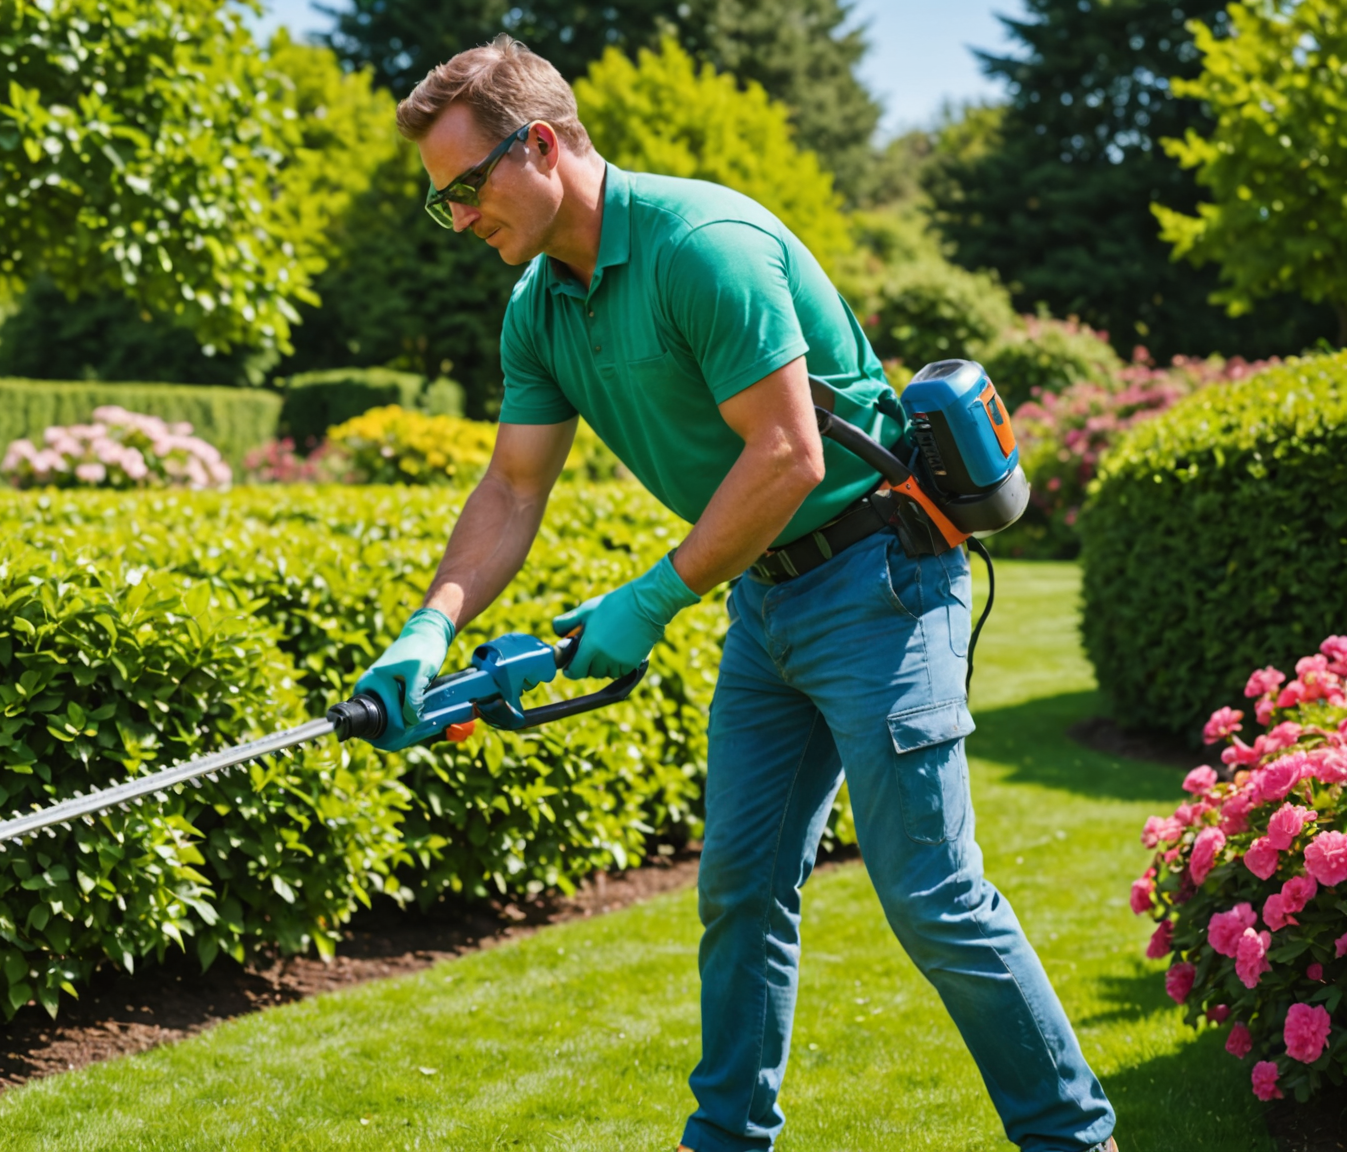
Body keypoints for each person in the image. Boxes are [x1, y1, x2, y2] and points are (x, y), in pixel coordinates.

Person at [351, 35, 1119, 1152]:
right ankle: (727, 1142)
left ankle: (1072, 1141)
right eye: (444, 204)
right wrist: (431, 627)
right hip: (769, 603)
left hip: (881, 578)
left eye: (469, 188)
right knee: (742, 888)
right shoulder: (540, 308)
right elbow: (514, 486)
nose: (461, 219)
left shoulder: (700, 245)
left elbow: (789, 456)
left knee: (931, 895)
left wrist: (652, 599)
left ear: (545, 146)